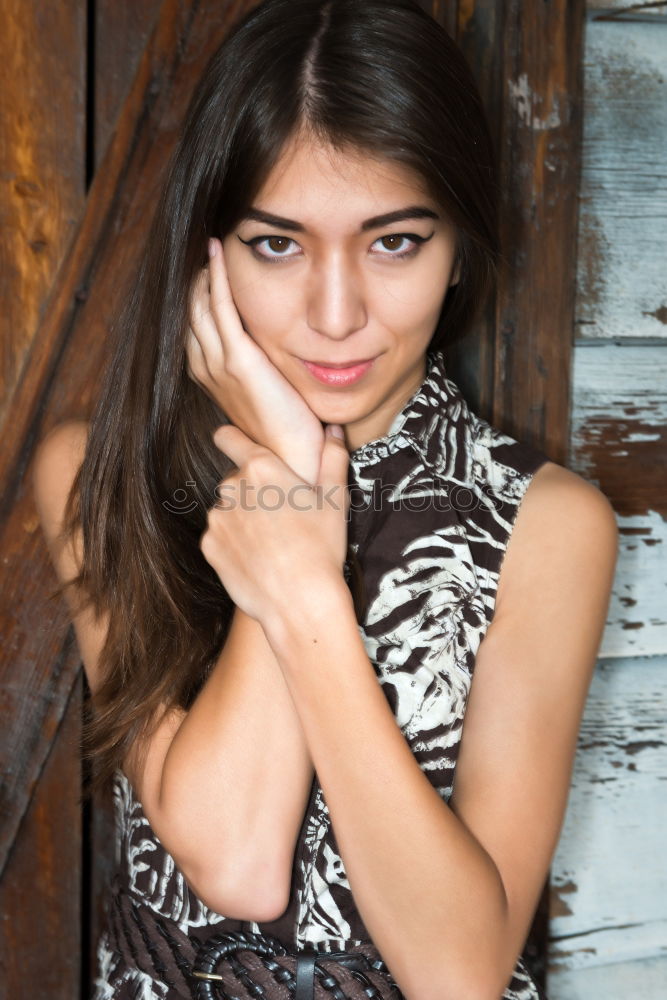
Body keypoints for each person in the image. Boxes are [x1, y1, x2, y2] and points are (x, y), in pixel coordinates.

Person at [31, 0, 618, 997]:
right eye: (277, 245)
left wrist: (306, 595)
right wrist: (288, 474)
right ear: (205, 250)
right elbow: (235, 855)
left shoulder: (544, 525)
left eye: (393, 242)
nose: (336, 315)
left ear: (458, 249)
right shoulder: (95, 476)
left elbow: (461, 974)